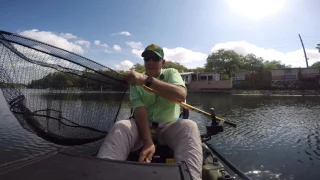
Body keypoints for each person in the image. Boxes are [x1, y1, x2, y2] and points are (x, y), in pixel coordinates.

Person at [97, 44, 203, 180]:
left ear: (162, 62)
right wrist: (148, 141)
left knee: (190, 126)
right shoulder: (135, 81)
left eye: (155, 58)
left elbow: (181, 95)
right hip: (142, 127)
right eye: (147, 59)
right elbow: (139, 110)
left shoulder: (171, 73)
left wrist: (147, 81)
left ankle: (190, 177)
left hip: (169, 127)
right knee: (121, 126)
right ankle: (102, 174)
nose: (150, 62)